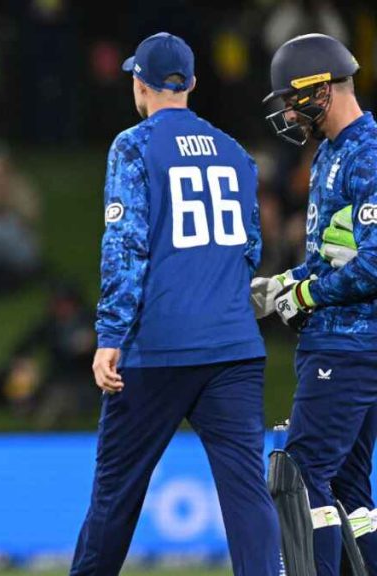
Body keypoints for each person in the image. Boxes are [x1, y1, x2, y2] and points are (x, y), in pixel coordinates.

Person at [71, 33, 281, 575]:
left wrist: (111, 335)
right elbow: (251, 247)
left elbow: (125, 245)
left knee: (115, 497)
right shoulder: (237, 153)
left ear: (140, 84)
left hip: (157, 348)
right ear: (189, 83)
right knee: (246, 494)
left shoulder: (134, 145)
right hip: (233, 347)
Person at [254, 33, 377, 575]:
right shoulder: (330, 152)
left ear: (320, 87)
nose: (286, 110)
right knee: (350, 488)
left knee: (300, 476)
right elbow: (330, 261)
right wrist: (282, 284)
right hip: (340, 341)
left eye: (291, 96)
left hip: (350, 345)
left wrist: (303, 293)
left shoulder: (368, 154)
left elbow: (373, 263)